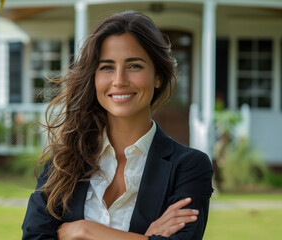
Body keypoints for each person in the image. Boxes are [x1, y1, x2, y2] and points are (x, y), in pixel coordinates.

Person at [22, 11, 213, 240]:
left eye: (134, 66)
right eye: (106, 67)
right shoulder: (63, 161)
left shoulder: (189, 167)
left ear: (158, 77)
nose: (119, 80)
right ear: (93, 77)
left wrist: (81, 230)